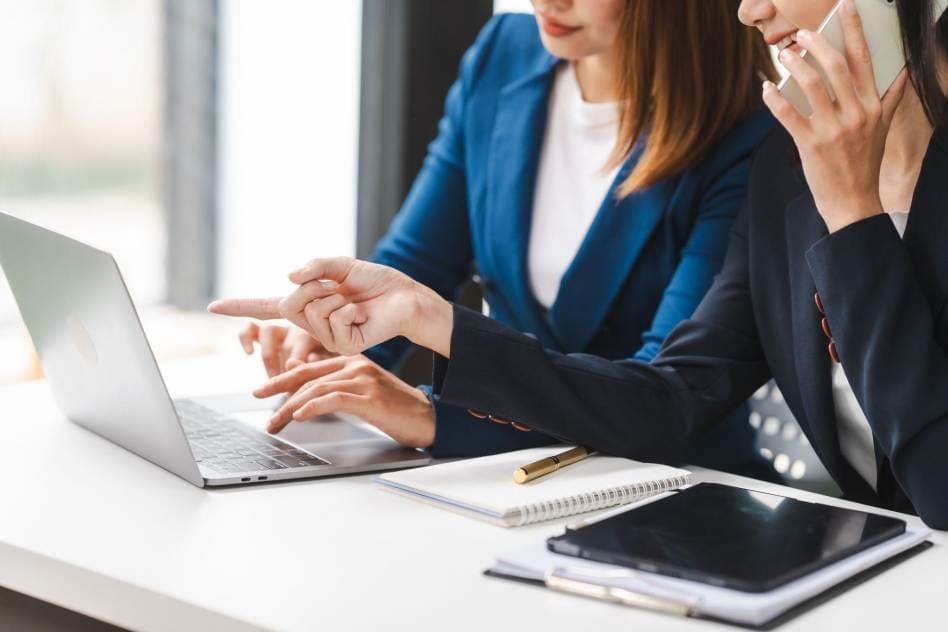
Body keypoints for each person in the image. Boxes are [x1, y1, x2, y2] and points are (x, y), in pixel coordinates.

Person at [210, 0, 948, 529]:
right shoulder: (786, 171)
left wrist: (853, 215)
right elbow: (669, 398)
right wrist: (425, 318)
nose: (749, 10)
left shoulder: (783, 156)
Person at [224, 1, 777, 465]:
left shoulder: (753, 141)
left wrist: (433, 414)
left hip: (678, 499)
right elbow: (419, 261)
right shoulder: (504, 52)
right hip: (496, 480)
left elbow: (659, 402)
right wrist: (338, 335)